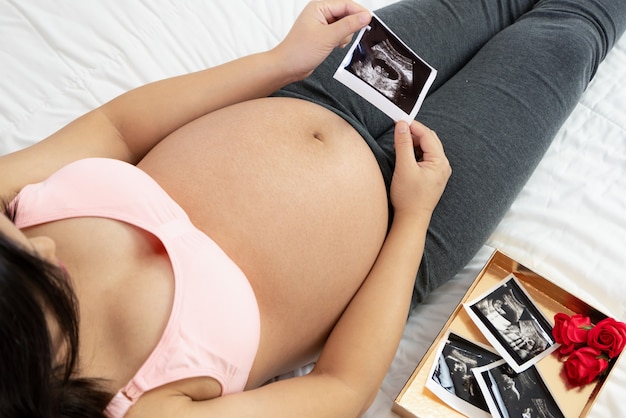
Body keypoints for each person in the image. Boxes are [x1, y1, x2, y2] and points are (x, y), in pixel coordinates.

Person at [0, 0, 624, 416]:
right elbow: (341, 389)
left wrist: (277, 64)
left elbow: (113, 127)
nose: (41, 241)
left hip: (333, 90)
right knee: (572, 35)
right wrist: (412, 217)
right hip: (415, 221)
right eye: (37, 273)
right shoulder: (147, 409)